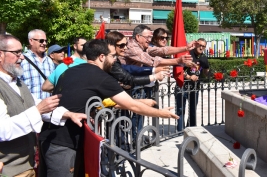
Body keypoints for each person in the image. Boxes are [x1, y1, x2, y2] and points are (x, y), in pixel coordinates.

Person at [38, 39, 179, 176]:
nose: (114, 61)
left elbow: (52, 88)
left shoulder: (69, 70)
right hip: (64, 144)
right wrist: (162, 113)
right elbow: (131, 104)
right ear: (101, 57)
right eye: (112, 56)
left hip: (48, 136)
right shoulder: (100, 77)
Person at [0, 34, 86, 177]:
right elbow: (3, 130)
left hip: (27, 165)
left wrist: (69, 114)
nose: (22, 57)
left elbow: (37, 104)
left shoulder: (18, 82)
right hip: (8, 171)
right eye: (17, 53)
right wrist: (38, 110)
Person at [122, 24, 196, 67]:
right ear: (138, 37)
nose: (149, 40)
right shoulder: (132, 47)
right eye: (147, 37)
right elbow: (152, 61)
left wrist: (186, 48)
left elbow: (162, 50)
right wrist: (177, 61)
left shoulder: (143, 46)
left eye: (150, 37)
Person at [176, 38, 210, 131]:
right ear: (196, 45)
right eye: (200, 45)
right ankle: (180, 130)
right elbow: (178, 71)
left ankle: (191, 129)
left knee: (192, 110)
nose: (201, 47)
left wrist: (207, 68)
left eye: (203, 46)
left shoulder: (203, 57)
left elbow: (206, 73)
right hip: (183, 85)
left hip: (195, 87)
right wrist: (189, 77)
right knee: (180, 109)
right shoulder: (188, 54)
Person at [20, 29, 55, 99]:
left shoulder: (49, 61)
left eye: (46, 41)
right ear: (31, 41)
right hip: (30, 107)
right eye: (41, 41)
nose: (44, 43)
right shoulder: (22, 60)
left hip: (48, 106)